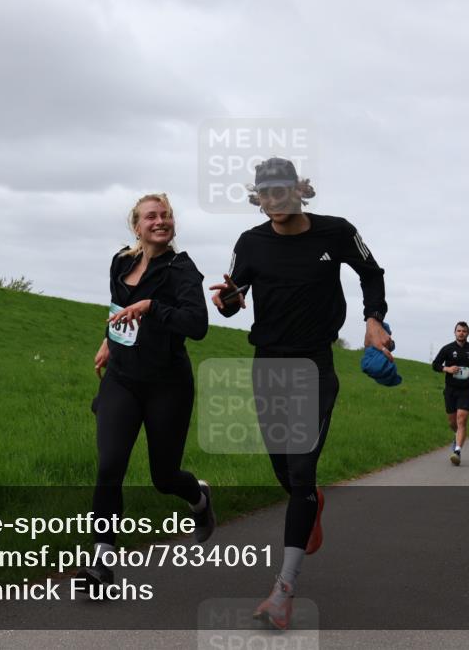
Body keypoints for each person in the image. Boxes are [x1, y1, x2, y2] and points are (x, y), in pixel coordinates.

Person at [209, 157, 391, 630]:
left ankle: (283, 591)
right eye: (265, 192)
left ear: (298, 189)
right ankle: (309, 500)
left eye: (281, 190)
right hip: (268, 364)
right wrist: (228, 301)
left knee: (302, 469)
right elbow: (232, 298)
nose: (273, 199)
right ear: (258, 197)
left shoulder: (336, 232)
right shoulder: (250, 242)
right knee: (285, 473)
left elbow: (371, 271)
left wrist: (374, 319)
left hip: (315, 365)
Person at [79, 193, 215, 589]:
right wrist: (109, 341)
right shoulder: (121, 261)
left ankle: (199, 498)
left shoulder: (182, 269)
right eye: (151, 216)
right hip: (122, 379)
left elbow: (197, 325)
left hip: (167, 384)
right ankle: (101, 562)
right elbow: (117, 307)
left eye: (166, 215)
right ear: (136, 226)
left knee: (164, 476)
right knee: (110, 466)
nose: (160, 221)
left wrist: (152, 306)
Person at [431, 322, 469, 465]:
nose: (461, 333)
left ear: (468, 333)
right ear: (455, 332)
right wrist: (447, 369)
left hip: (467, 390)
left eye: (464, 331)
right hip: (451, 390)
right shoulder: (447, 349)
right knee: (453, 423)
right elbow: (435, 365)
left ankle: (457, 451)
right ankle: (457, 436)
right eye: (459, 330)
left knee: (461, 419)